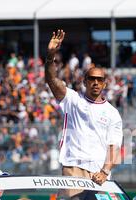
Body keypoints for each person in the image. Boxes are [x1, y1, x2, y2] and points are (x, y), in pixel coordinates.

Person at [45, 30, 123, 189]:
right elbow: (52, 80)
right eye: (91, 79)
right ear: (85, 82)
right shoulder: (72, 99)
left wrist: (104, 171)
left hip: (99, 174)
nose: (95, 82)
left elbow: (114, 147)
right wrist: (50, 56)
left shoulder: (112, 113)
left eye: (99, 80)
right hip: (73, 168)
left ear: (104, 84)